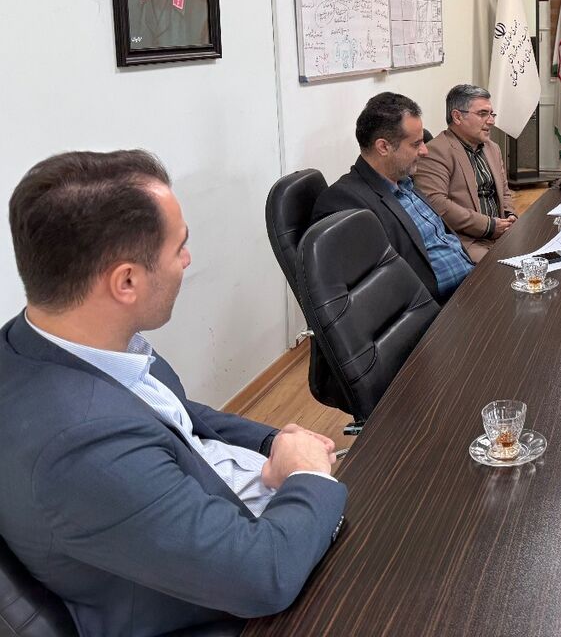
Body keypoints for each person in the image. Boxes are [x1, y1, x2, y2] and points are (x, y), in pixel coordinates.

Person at [0, 151, 345, 637]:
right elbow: (263, 576)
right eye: (179, 246)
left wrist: (274, 444)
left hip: (230, 507)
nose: (187, 260)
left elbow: (177, 412)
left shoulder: (53, 339)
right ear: (126, 281)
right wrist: (307, 474)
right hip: (234, 607)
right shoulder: (81, 447)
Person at [314, 92, 474, 306]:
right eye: (416, 144)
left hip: (471, 284)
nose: (425, 151)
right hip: (442, 310)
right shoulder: (345, 202)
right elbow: (383, 291)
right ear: (383, 147)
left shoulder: (404, 180)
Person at [413, 84, 517, 262]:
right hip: (465, 241)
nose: (491, 121)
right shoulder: (435, 151)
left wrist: (510, 215)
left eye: (491, 114)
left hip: (501, 233)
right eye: (483, 114)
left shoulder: (493, 148)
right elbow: (436, 203)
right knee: (506, 271)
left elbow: (504, 191)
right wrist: (488, 226)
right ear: (457, 116)